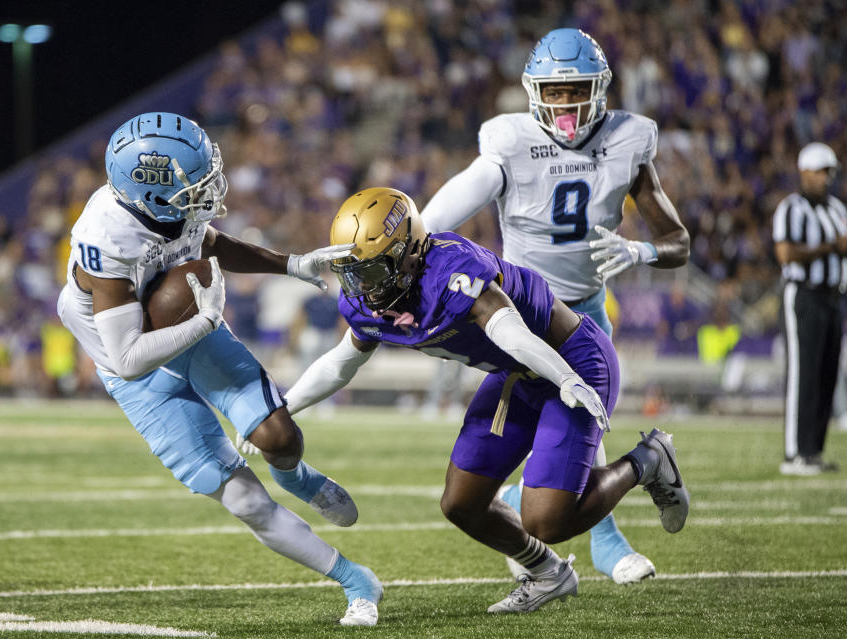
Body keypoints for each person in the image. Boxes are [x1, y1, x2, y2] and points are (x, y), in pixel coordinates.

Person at [284, 187, 689, 613]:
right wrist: (285, 407)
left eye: (371, 271)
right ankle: (549, 574)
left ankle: (648, 460)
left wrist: (566, 378)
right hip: (517, 374)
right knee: (461, 503)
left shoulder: (451, 269)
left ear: (408, 252)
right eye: (353, 273)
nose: (361, 287)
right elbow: (341, 363)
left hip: (572, 360)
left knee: (546, 519)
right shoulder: (372, 299)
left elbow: (509, 331)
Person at [56, 112, 382, 626]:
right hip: (132, 364)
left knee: (278, 436)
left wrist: (291, 264)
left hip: (181, 330)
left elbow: (209, 243)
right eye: (194, 185)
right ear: (150, 193)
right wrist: (207, 317)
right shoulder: (109, 238)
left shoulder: (162, 208)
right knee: (246, 501)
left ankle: (297, 478)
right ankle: (355, 580)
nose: (207, 190)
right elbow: (128, 357)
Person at [419, 28, 690, 584]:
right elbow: (474, 184)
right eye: (555, 91)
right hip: (518, 316)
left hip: (584, 314)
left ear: (600, 89)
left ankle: (603, 539)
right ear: (533, 92)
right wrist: (419, 230)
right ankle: (547, 534)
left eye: (575, 89)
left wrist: (639, 248)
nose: (565, 103)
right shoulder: (509, 142)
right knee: (524, 460)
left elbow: (678, 242)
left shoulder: (626, 141)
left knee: (580, 441)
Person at [772, 142, 847, 476]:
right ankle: (794, 454)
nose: (826, 178)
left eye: (829, 172)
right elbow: (786, 254)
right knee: (803, 373)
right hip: (804, 295)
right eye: (821, 172)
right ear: (805, 172)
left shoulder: (838, 208)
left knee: (826, 374)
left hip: (833, 297)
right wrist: (832, 248)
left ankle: (813, 451)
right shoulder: (791, 208)